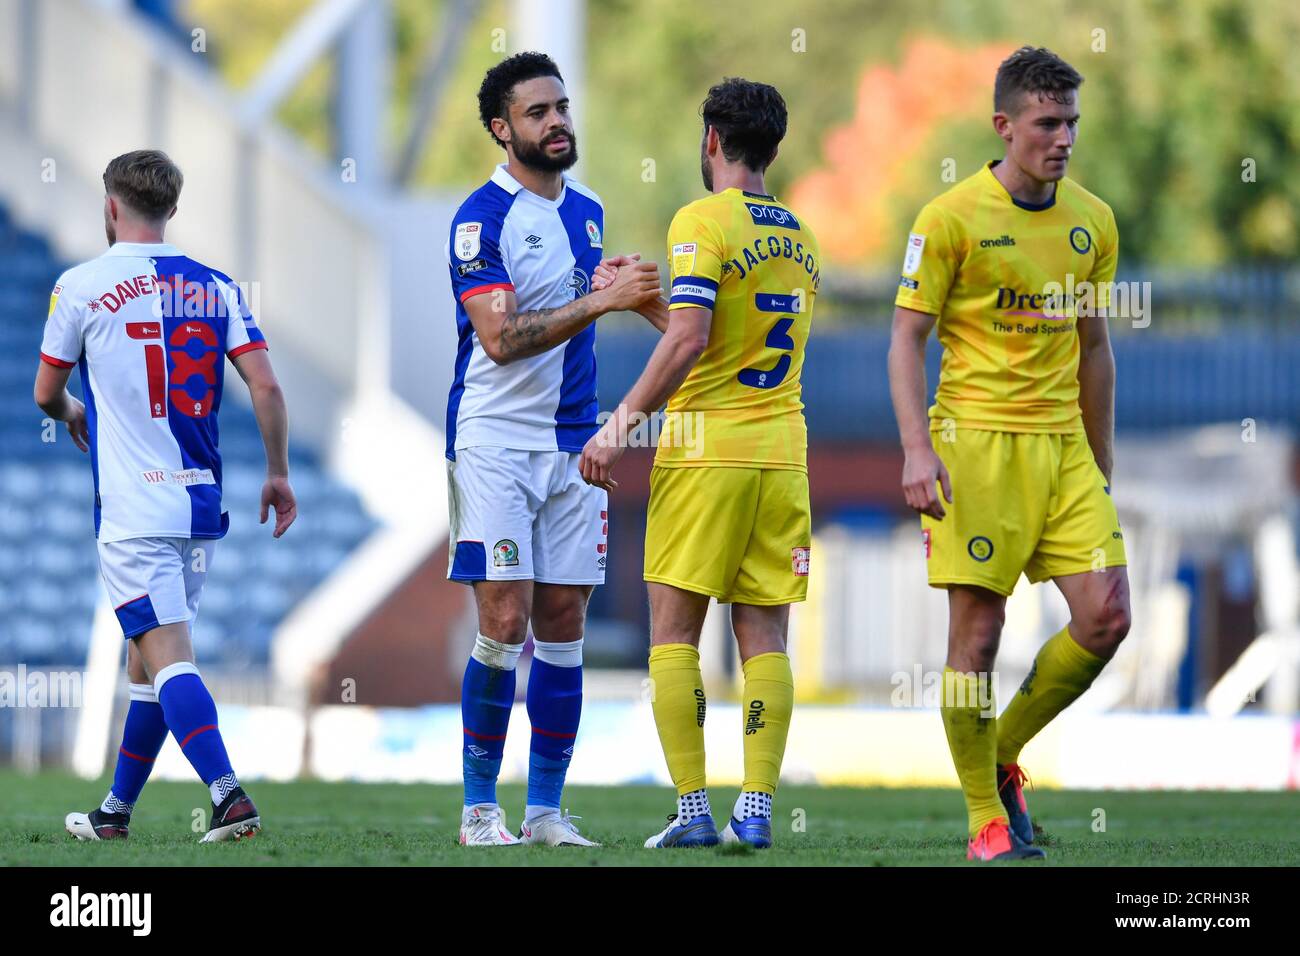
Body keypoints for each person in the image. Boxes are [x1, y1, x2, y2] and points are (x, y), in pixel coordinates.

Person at [887, 46, 1131, 862]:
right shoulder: (949, 216)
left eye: (1071, 123)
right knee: (978, 640)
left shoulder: (1092, 220)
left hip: (1063, 449)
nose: (1062, 138)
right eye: (1046, 123)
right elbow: (905, 339)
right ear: (1004, 126)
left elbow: (1094, 348)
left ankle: (1000, 753)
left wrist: (1100, 459)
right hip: (975, 449)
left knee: (1106, 618)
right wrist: (917, 450)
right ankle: (983, 821)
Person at [583, 78, 818, 849]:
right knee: (766, 638)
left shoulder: (700, 219)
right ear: (772, 148)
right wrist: (642, 300)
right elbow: (718, 341)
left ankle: (691, 813)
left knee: (674, 635)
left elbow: (690, 345)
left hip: (704, 452)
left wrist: (616, 429)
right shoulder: (801, 237)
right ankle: (755, 812)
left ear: (711, 140)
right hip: (781, 455)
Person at [37, 149, 297, 843]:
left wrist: (70, 414)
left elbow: (45, 390)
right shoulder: (215, 286)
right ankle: (115, 813)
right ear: (172, 209)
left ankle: (228, 795)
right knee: (145, 659)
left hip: (133, 510)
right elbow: (266, 386)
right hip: (199, 507)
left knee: (169, 655)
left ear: (110, 207)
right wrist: (278, 471)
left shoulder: (82, 285)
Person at [446, 52, 662, 846]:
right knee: (504, 618)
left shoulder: (590, 209)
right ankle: (478, 810)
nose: (558, 122)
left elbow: (593, 303)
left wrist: (636, 301)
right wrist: (602, 299)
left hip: (573, 441)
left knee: (564, 618)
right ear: (503, 130)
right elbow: (500, 340)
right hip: (495, 442)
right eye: (538, 112)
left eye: (562, 107)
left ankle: (543, 812)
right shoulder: (481, 218)